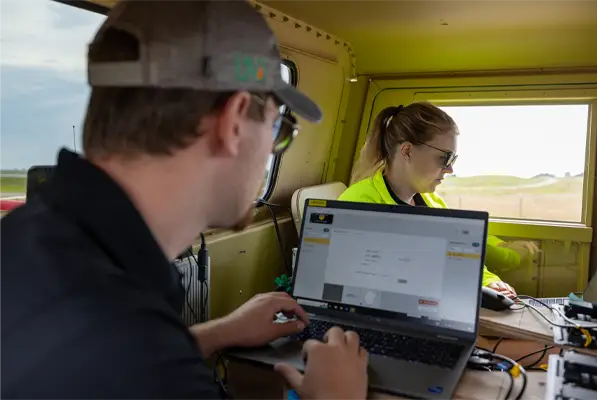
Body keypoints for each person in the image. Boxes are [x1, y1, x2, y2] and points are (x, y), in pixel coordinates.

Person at [0, 1, 368, 399]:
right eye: (279, 128)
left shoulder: (31, 236)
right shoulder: (134, 355)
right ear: (234, 120)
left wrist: (217, 333)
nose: (272, 150)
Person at [338, 102, 525, 297]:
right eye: (445, 158)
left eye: (453, 159)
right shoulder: (358, 203)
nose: (450, 169)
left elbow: (457, 258)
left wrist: (488, 281)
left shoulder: (433, 202)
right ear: (407, 151)